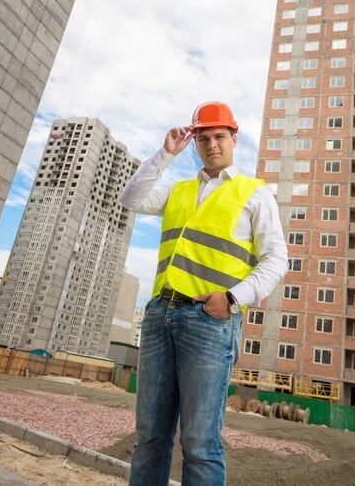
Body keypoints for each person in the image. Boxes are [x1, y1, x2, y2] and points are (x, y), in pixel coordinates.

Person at [120, 101, 288, 486]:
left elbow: (277, 258)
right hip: (160, 316)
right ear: (194, 142)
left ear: (233, 138)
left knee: (199, 442)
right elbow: (130, 198)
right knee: (149, 437)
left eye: (218, 136)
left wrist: (231, 299)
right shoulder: (178, 192)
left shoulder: (254, 194)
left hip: (210, 324)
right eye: (203, 137)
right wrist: (165, 154)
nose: (211, 144)